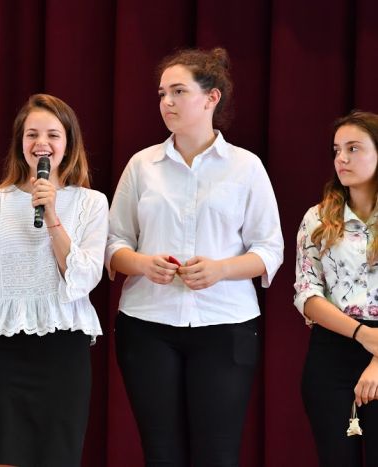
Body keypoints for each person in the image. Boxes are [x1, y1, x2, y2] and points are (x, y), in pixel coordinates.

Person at [106, 47, 284, 465]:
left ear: (211, 98)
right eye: (162, 93)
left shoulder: (246, 167)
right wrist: (143, 263)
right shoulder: (142, 165)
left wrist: (221, 269)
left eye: (178, 91)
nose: (166, 102)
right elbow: (113, 243)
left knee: (217, 455)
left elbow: (269, 249)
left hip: (226, 325)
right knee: (161, 453)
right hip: (147, 325)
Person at [0, 93, 107, 467]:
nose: (41, 143)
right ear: (20, 142)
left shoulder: (92, 203)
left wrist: (52, 215)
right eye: (32, 134)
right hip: (5, 355)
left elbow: (83, 278)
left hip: (64, 353)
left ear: (69, 142)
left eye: (53, 134)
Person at [294, 110, 378, 466]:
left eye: (353, 148)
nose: (341, 158)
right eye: (337, 150)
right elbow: (306, 294)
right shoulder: (317, 218)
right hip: (332, 351)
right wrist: (362, 334)